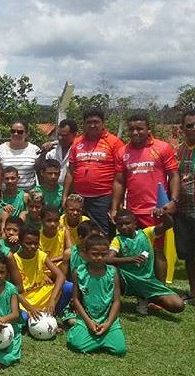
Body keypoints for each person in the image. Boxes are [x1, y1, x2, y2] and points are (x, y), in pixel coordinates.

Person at [111, 113, 180, 282]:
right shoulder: (123, 152)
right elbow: (119, 181)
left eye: (139, 128)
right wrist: (115, 207)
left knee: (157, 250)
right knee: (133, 250)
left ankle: (160, 291)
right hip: (133, 212)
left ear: (148, 129)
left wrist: (173, 201)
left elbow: (174, 175)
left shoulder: (163, 147)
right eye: (132, 129)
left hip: (156, 210)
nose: (135, 132)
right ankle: (137, 286)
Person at [107, 209, 184, 316]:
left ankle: (146, 298)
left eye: (127, 223)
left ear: (135, 224)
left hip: (148, 280)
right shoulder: (117, 240)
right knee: (111, 270)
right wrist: (130, 259)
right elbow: (108, 259)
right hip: (127, 279)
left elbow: (169, 224)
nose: (124, 227)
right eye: (120, 224)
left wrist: (164, 214)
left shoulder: (147, 233)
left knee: (178, 305)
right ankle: (113, 302)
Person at [63, 107, 124, 238]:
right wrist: (65, 196)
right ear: (84, 124)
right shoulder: (77, 143)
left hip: (103, 198)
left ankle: (105, 258)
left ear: (103, 123)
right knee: (81, 232)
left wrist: (115, 205)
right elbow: (70, 172)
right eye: (88, 122)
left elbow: (120, 177)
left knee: (102, 233)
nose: (92, 125)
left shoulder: (114, 142)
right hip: (80, 197)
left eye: (96, 122)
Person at [67, 234, 126, 356]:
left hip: (107, 318)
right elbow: (76, 300)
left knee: (120, 349)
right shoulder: (79, 272)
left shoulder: (113, 272)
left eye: (104, 254)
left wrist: (108, 323)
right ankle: (83, 330)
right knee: (78, 344)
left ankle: (100, 336)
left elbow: (116, 301)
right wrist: (89, 322)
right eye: (94, 254)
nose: (99, 258)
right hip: (87, 318)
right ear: (85, 253)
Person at [13, 225, 72, 319]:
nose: (32, 247)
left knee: (68, 287)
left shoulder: (40, 254)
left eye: (35, 243)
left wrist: (52, 299)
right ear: (20, 242)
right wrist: (30, 308)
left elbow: (60, 276)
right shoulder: (14, 259)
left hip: (41, 293)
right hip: (25, 299)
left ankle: (53, 313)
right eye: (28, 243)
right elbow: (14, 290)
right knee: (23, 317)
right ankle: (35, 316)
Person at [174, 109, 195, 303]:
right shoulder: (178, 150)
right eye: (190, 126)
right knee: (189, 254)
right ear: (182, 129)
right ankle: (193, 293)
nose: (194, 129)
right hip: (183, 210)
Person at [0, 120, 40, 191]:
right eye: (13, 131)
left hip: (28, 196)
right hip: (6, 196)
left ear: (27, 134)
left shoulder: (35, 149)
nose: (16, 134)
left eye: (20, 132)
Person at [36, 119, 78, 184]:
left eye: (64, 135)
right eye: (58, 135)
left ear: (74, 135)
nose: (60, 138)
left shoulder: (80, 152)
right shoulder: (51, 151)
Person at [39, 205, 70, 275]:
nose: (53, 224)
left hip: (60, 269)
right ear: (41, 220)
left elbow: (70, 252)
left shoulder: (63, 231)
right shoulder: (37, 236)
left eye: (56, 220)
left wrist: (50, 261)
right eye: (49, 220)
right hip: (41, 271)